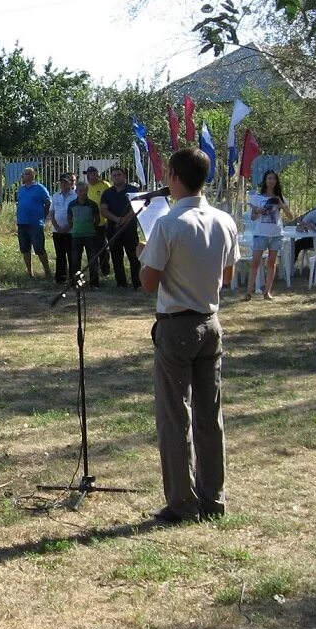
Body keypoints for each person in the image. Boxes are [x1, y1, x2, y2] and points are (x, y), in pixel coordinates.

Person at [139, 146, 239, 524]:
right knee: (209, 414)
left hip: (176, 324)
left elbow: (149, 283)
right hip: (210, 321)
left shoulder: (167, 224)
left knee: (173, 415)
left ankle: (182, 501)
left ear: (176, 178)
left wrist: (144, 255)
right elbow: (227, 276)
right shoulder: (224, 220)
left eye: (168, 174)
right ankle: (213, 498)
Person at [244, 170, 291, 301]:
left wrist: (280, 203)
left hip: (276, 234)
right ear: (265, 180)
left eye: (274, 179)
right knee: (255, 262)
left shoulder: (281, 198)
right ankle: (249, 292)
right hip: (261, 233)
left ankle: (267, 292)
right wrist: (258, 211)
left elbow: (290, 216)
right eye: (269, 178)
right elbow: (253, 218)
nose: (272, 181)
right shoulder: (257, 198)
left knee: (271, 263)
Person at [98, 168, 142, 289]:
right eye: (114, 175)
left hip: (130, 229)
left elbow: (137, 207)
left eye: (119, 175)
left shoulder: (133, 190)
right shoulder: (107, 193)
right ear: (111, 178)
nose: (117, 177)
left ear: (124, 176)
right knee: (116, 257)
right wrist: (117, 219)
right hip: (113, 229)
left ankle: (137, 283)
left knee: (133, 257)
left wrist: (125, 219)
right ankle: (121, 283)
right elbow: (103, 210)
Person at [15, 167, 53, 279]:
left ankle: (47, 271)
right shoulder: (21, 189)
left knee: (39, 248)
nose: (24, 176)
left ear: (32, 175)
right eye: (24, 173)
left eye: (27, 174)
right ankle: (29, 272)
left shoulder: (40, 188)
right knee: (25, 248)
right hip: (22, 222)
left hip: (35, 223)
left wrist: (43, 216)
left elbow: (48, 202)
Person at [67, 181, 101, 288]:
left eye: (84, 190)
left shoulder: (92, 205)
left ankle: (94, 283)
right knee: (75, 259)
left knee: (92, 259)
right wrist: (75, 227)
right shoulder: (72, 204)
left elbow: (97, 219)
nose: (82, 192)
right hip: (76, 235)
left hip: (90, 235)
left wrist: (90, 227)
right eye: (80, 190)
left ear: (87, 191)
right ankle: (76, 282)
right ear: (76, 191)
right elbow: (69, 219)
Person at [49, 173, 78, 285]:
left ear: (70, 183)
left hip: (70, 231)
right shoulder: (56, 195)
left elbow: (76, 214)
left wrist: (68, 226)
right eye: (61, 182)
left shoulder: (75, 196)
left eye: (65, 182)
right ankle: (60, 278)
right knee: (60, 255)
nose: (63, 184)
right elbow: (51, 213)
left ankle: (73, 278)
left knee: (72, 255)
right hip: (57, 231)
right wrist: (56, 226)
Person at [84, 166, 112, 277]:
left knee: (103, 247)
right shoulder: (85, 187)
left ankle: (105, 269)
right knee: (91, 248)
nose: (91, 176)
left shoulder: (105, 185)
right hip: (88, 223)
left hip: (102, 222)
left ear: (98, 174)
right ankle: (94, 270)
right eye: (89, 174)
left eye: (93, 173)